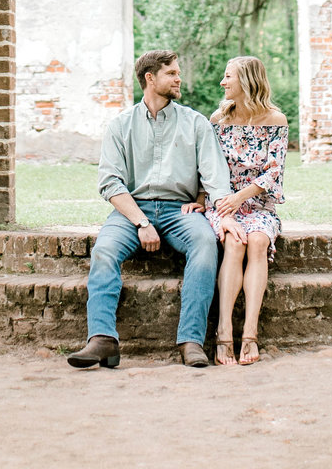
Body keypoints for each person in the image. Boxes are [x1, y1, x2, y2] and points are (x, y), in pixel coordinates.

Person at [67, 49, 236, 369]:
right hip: (131, 210)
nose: (178, 78)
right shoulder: (121, 125)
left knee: (204, 243)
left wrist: (219, 211)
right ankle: (102, 340)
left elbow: (216, 177)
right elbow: (110, 183)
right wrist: (141, 221)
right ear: (150, 78)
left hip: (180, 211)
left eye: (178, 72)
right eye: (172, 73)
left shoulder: (196, 122)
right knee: (104, 249)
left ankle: (191, 341)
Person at [204, 54, 289, 367]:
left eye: (229, 77)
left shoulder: (275, 121)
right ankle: (224, 332)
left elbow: (273, 171)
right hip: (223, 203)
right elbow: (209, 168)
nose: (223, 82)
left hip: (257, 203)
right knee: (235, 242)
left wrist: (243, 197)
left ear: (248, 81)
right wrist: (224, 206)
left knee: (257, 241)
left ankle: (250, 334)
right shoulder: (219, 119)